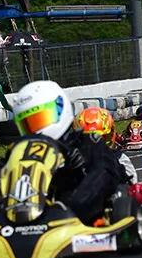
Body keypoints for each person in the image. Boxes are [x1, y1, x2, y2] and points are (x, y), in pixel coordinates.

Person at [8, 81, 122, 225]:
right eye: (28, 124)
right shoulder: (22, 152)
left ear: (61, 109)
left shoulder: (86, 143)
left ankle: (68, 213)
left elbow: (104, 173)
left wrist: (77, 166)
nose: (37, 130)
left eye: (40, 120)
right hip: (37, 210)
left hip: (77, 211)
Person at [74, 106, 139, 186]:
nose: (94, 145)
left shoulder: (119, 159)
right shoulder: (71, 161)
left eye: (101, 139)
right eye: (87, 140)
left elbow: (132, 184)